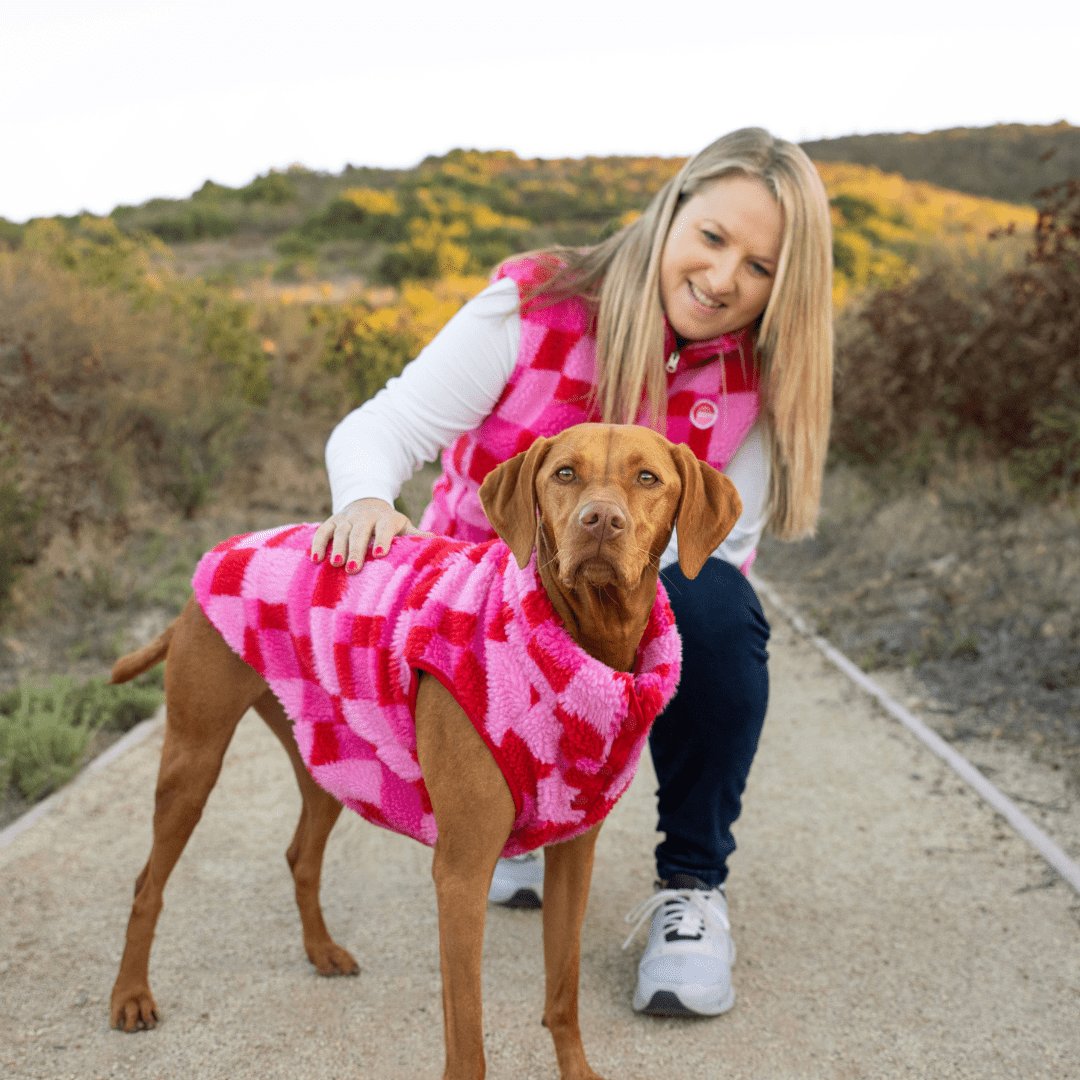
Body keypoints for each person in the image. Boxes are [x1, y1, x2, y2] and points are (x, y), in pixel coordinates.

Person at [310, 127, 834, 1018]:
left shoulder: (758, 377)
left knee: (714, 612)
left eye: (760, 267)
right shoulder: (536, 306)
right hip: (476, 590)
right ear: (671, 211)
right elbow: (383, 427)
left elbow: (715, 553)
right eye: (712, 238)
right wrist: (364, 497)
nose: (722, 279)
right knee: (526, 629)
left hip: (620, 593)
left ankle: (691, 890)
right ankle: (514, 807)